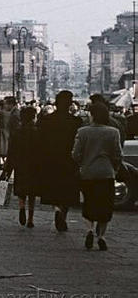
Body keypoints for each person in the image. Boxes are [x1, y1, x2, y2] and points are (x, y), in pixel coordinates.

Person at [73, 103, 122, 251]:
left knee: (89, 202)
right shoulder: (113, 132)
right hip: (106, 173)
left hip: (88, 173)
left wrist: (82, 163)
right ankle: (101, 236)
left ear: (92, 115)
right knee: (105, 205)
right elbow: (118, 154)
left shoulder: (83, 132)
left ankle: (89, 230)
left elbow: (75, 154)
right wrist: (115, 168)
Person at [37, 90, 82, 232]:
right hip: (69, 160)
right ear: (69, 104)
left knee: (53, 187)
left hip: (50, 159)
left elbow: (40, 141)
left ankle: (56, 208)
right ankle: (63, 213)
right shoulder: (76, 122)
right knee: (67, 190)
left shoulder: (46, 120)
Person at [1, 106, 41, 228]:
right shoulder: (37, 132)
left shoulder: (17, 132)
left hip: (20, 164)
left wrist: (8, 166)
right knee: (32, 193)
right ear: (33, 117)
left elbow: (11, 151)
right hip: (34, 165)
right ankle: (30, 219)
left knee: (21, 190)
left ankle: (22, 207)